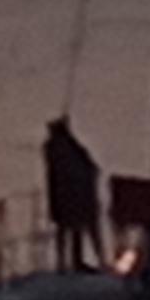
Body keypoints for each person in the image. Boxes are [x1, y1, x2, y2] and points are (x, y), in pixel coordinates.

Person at [41, 115, 105, 273]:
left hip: (69, 197)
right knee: (72, 230)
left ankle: (69, 263)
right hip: (72, 197)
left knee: (71, 231)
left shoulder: (58, 148)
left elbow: (91, 169)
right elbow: (91, 169)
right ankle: (68, 263)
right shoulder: (60, 148)